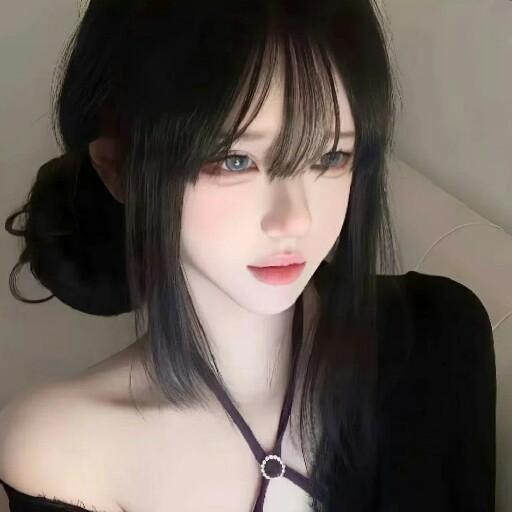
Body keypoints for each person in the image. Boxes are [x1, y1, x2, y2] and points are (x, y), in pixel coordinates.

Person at [0, 0, 496, 511]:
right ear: (119, 170)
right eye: (235, 160)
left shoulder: (436, 340)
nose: (294, 219)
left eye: (330, 157)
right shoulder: (63, 453)